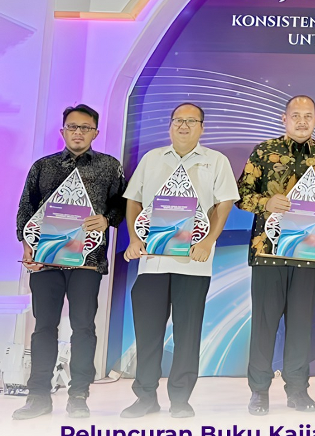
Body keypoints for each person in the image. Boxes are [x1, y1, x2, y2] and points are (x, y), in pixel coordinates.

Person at [120, 104, 239, 419]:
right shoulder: (152, 159)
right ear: (170, 125)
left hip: (194, 263)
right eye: (178, 120)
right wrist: (134, 238)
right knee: (148, 334)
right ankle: (145, 397)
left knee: (188, 335)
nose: (183, 126)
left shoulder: (216, 161)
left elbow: (224, 204)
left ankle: (181, 398)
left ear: (202, 127)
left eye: (191, 121)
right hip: (152, 262)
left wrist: (208, 241)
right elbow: (133, 200)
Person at [13, 105, 125, 419]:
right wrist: (27, 246)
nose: (78, 132)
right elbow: (25, 210)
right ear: (62, 131)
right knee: (43, 328)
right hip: (46, 261)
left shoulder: (109, 166)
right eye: (72, 127)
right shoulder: (43, 166)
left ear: (96, 133)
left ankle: (78, 395)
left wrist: (107, 219)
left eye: (85, 127)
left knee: (84, 327)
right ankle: (38, 396)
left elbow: (122, 207)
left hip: (87, 262)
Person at [237, 95, 315, 415]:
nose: (301, 121)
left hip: (309, 254)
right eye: (295, 115)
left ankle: (298, 390)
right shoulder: (264, 151)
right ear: (284, 119)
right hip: (268, 252)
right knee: (264, 325)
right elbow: (241, 194)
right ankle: (259, 391)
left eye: (308, 116)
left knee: (301, 325)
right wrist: (266, 203)